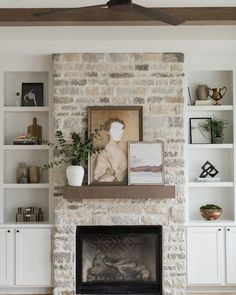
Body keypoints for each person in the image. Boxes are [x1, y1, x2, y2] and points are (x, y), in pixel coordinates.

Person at [93, 118, 127, 182]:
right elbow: (100, 177)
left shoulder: (124, 153)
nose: (121, 132)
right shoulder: (103, 154)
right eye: (116, 129)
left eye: (121, 129)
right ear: (108, 132)